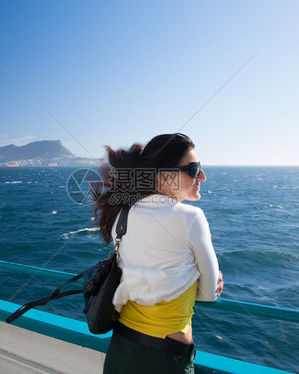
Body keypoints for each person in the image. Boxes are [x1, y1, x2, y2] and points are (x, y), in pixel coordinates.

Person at [93, 133, 223, 374]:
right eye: (194, 169)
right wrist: (195, 274)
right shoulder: (191, 218)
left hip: (120, 350)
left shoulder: (121, 214)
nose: (202, 176)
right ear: (165, 176)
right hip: (164, 359)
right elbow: (208, 294)